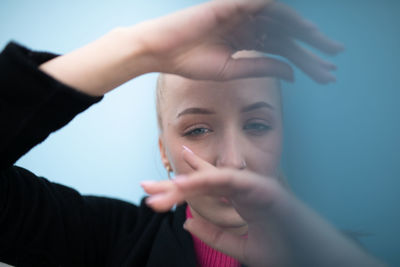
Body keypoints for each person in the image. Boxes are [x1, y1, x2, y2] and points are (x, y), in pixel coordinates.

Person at [0, 0, 383, 266]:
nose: (232, 161)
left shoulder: (341, 255)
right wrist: (137, 49)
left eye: (257, 125)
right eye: (198, 129)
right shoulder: (106, 240)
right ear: (163, 152)